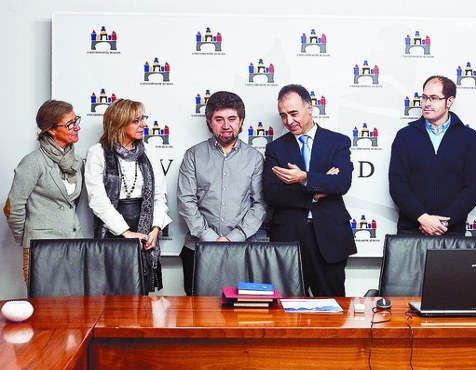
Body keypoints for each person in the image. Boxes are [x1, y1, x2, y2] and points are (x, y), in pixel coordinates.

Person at [263, 84, 356, 297]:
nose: (289, 121)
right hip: (289, 236)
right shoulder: (275, 148)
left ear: (310, 108)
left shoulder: (338, 142)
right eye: (283, 115)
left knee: (333, 310)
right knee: (286, 311)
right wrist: (317, 188)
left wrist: (304, 178)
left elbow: (342, 183)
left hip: (330, 237)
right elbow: (272, 193)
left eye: (294, 113)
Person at [177, 91, 266, 296]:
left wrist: (235, 237)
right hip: (198, 249)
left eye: (232, 119)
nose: (226, 125)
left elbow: (260, 204)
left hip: (242, 250)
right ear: (209, 122)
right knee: (198, 316)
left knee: (242, 317)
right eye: (219, 119)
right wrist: (210, 238)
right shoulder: (193, 155)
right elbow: (186, 201)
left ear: (241, 121)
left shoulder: (254, 158)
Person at [85, 98, 172, 294]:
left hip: (145, 228)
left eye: (143, 118)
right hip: (112, 231)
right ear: (118, 123)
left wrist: (155, 229)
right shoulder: (97, 153)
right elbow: (98, 200)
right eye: (136, 120)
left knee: (142, 293)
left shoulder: (150, 150)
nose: (144, 124)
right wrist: (125, 232)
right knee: (112, 292)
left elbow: (159, 196)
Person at [389, 75, 476, 235]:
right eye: (424, 98)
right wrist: (422, 218)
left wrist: (444, 222)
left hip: (451, 230)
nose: (426, 104)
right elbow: (398, 184)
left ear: (449, 101)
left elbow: (473, 188)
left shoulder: (469, 138)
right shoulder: (404, 136)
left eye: (434, 98)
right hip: (412, 229)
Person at [5, 100, 84, 283]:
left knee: (74, 307)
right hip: (41, 248)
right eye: (70, 124)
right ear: (52, 130)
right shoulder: (33, 162)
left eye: (76, 121)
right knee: (43, 307)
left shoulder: (77, 162)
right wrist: (28, 240)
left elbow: (71, 204)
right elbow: (13, 207)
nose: (76, 128)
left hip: (74, 245)